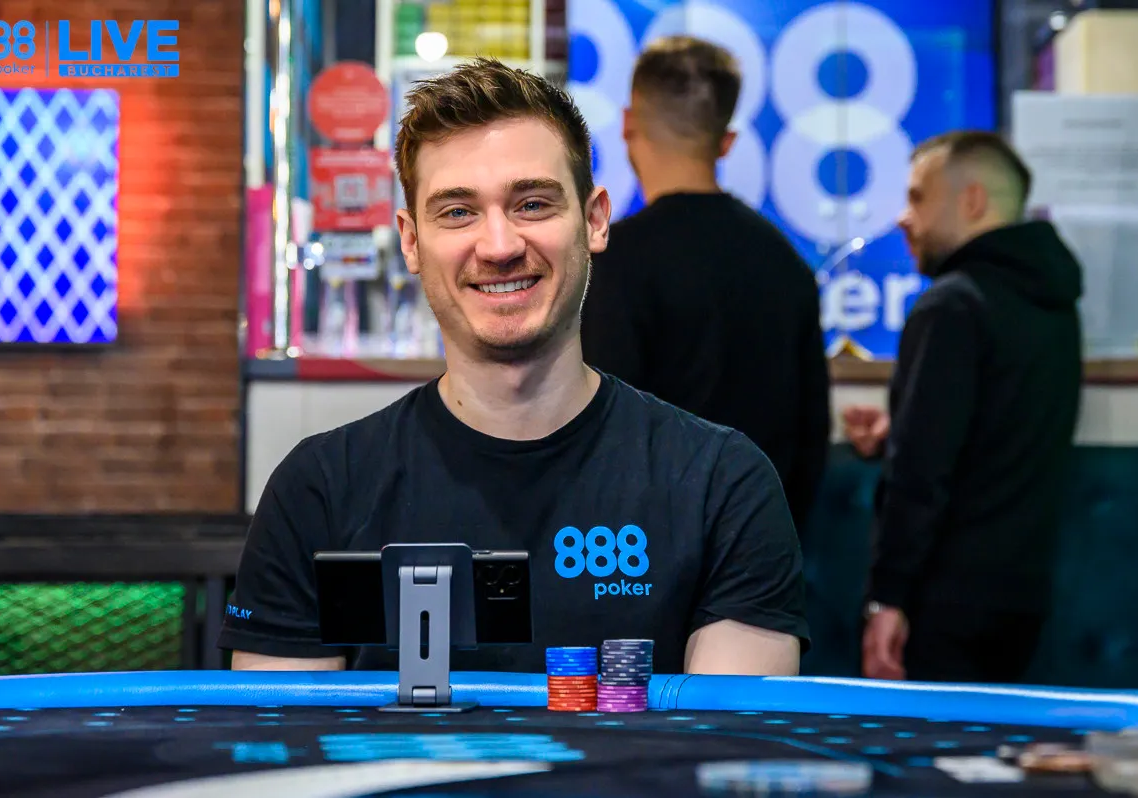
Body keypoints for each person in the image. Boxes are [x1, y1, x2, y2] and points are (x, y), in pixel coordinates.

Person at [219, 58, 809, 676]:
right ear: (411, 241)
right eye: (457, 212)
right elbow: (285, 732)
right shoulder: (319, 491)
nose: (499, 246)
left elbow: (727, 734)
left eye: (532, 204)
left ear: (595, 220)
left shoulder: (722, 487)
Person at [844, 130, 1083, 683]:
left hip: (941, 602)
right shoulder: (1054, 302)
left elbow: (920, 471)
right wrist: (899, 425)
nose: (903, 218)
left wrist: (887, 600)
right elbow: (1003, 423)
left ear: (972, 200)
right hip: (1022, 601)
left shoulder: (951, 306)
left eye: (918, 197)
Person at [580, 36, 829, 533]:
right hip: (762, 541)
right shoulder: (785, 262)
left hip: (645, 551)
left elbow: (600, 430)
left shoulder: (614, 261)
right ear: (727, 141)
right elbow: (811, 433)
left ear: (627, 123)